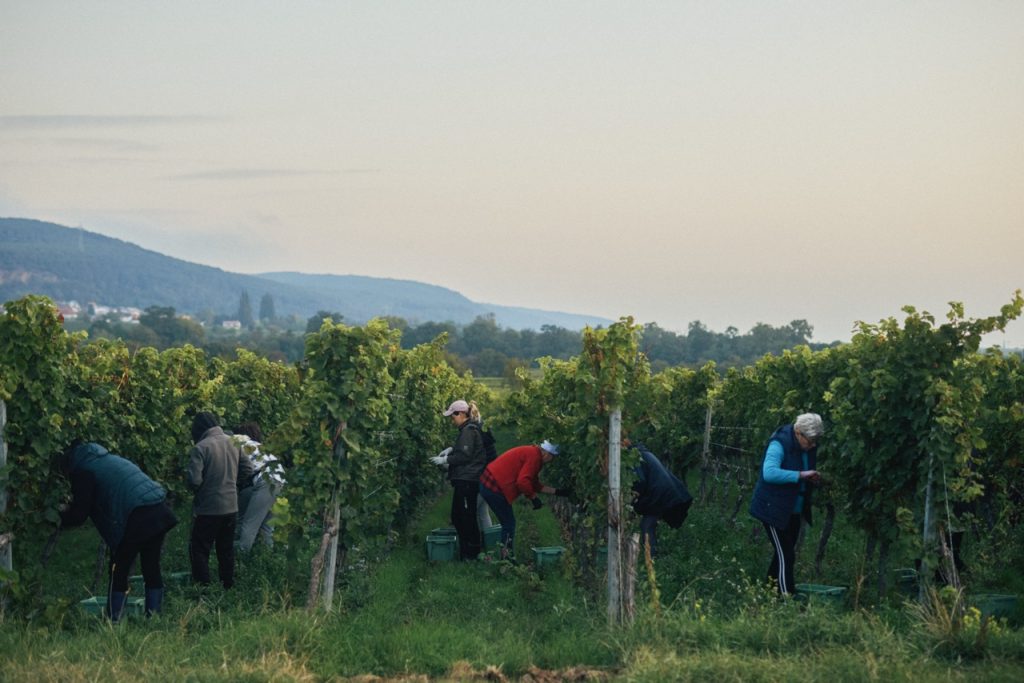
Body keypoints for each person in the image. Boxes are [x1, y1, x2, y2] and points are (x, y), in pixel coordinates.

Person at [58, 441, 178, 620]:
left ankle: (114, 621)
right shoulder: (109, 459)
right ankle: (154, 618)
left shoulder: (83, 471)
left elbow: (79, 515)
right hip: (157, 508)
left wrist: (56, 518)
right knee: (151, 566)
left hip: (137, 514)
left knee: (119, 568)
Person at [749, 413, 824, 596]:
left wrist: (811, 479)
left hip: (793, 509)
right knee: (787, 556)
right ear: (798, 433)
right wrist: (800, 475)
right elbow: (770, 473)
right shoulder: (779, 443)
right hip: (773, 508)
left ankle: (767, 595)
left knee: (782, 555)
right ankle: (786, 600)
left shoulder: (807, 446)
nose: (813, 444)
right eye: (810, 440)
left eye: (816, 440)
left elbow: (804, 471)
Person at [187, 411, 253, 588]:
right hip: (231, 505)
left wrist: (201, 490)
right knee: (226, 549)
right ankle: (227, 585)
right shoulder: (233, 443)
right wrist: (233, 484)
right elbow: (248, 469)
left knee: (200, 548)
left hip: (208, 508)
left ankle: (203, 587)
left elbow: (194, 480)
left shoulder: (200, 447)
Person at [478, 440, 569, 560]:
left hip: (489, 481)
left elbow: (534, 484)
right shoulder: (534, 457)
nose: (552, 461)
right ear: (547, 454)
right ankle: (506, 558)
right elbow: (523, 482)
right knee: (508, 524)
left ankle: (504, 554)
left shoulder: (533, 453)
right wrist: (533, 497)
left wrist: (558, 492)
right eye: (553, 457)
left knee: (508, 522)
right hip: (495, 487)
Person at [429, 399, 488, 560]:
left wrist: (445, 460)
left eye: (453, 415)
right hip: (466, 478)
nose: (451, 419)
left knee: (465, 516)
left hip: (468, 479)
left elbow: (465, 455)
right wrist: (452, 449)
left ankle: (471, 553)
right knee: (460, 515)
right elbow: (464, 450)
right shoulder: (467, 429)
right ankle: (468, 552)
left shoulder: (469, 430)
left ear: (461, 414)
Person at [628, 440, 693, 558]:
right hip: (663, 492)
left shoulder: (635, 457)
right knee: (648, 524)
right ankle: (652, 556)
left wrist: (630, 502)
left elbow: (640, 482)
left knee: (647, 525)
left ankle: (651, 559)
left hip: (660, 494)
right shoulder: (641, 452)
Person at [232, 422, 285, 552]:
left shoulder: (238, 443)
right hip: (279, 479)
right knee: (267, 526)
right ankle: (269, 560)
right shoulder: (259, 446)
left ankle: (242, 557)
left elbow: (245, 470)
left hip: (265, 480)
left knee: (249, 524)